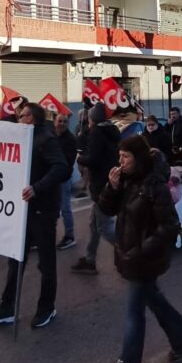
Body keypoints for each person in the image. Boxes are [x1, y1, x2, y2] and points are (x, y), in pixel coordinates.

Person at [99, 135, 182, 363]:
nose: (120, 161)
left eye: (125, 157)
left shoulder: (154, 185)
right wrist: (112, 186)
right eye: (119, 156)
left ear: (138, 158)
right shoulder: (128, 181)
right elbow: (107, 209)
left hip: (144, 260)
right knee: (154, 300)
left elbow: (170, 226)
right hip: (131, 257)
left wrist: (141, 250)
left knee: (134, 314)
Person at [0, 103, 70, 328]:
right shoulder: (20, 138)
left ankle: (46, 307)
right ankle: (7, 306)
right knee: (15, 259)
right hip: (22, 210)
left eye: (22, 116)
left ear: (32, 117)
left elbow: (61, 168)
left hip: (42, 210)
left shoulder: (45, 139)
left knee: (46, 262)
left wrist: (37, 188)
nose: (18, 120)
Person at [71, 102, 120, 275]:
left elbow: (94, 158)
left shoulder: (97, 132)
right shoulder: (110, 130)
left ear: (93, 118)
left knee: (104, 227)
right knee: (94, 224)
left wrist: (80, 158)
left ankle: (130, 253)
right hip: (105, 181)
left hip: (101, 185)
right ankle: (90, 260)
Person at [54, 113, 78, 251]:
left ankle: (70, 236)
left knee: (65, 209)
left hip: (63, 179)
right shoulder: (51, 135)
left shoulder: (70, 139)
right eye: (60, 121)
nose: (62, 123)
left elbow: (69, 161)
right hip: (51, 179)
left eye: (64, 121)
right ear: (55, 122)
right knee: (50, 209)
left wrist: (56, 155)